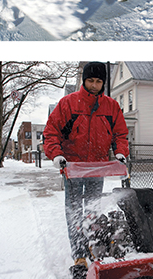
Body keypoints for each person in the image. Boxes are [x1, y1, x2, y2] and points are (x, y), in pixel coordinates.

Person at [43, 61, 129, 268]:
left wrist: (120, 152)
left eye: (98, 81)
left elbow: (121, 134)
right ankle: (79, 253)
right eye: (90, 80)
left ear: (103, 83)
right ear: (84, 80)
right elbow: (51, 132)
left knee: (92, 208)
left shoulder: (111, 106)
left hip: (97, 168)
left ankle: (92, 243)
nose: (94, 85)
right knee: (74, 211)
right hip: (72, 168)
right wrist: (57, 155)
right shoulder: (68, 104)